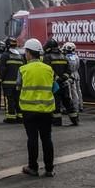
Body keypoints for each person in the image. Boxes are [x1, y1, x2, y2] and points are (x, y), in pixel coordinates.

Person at [18, 37, 57, 177]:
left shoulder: (23, 69)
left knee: (32, 139)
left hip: (29, 111)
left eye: (26, 52)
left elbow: (18, 86)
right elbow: (55, 88)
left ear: (29, 53)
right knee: (47, 139)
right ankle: (49, 169)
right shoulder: (49, 70)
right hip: (46, 111)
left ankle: (33, 168)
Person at [43, 39, 78, 126]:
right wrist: (63, 78)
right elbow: (68, 70)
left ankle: (57, 121)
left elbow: (48, 70)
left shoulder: (47, 57)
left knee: (56, 103)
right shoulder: (64, 56)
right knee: (67, 101)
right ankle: (75, 119)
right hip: (64, 83)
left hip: (54, 84)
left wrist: (57, 78)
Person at [0, 37, 24, 123]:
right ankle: (20, 117)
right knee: (18, 100)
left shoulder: (5, 55)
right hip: (18, 84)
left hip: (8, 84)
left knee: (9, 100)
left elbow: (2, 69)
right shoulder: (20, 56)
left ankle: (11, 117)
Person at [63, 42, 83, 116]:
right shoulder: (76, 56)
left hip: (71, 75)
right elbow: (78, 65)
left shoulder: (67, 57)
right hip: (76, 74)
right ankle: (80, 105)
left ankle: (74, 107)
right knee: (78, 90)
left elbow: (67, 68)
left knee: (72, 92)